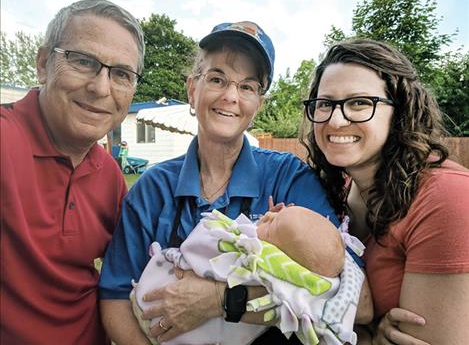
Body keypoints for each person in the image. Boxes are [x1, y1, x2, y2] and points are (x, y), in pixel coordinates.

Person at [99, 21, 372, 345]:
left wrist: (223, 299)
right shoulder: (153, 189)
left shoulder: (289, 179)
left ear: (259, 104)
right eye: (217, 79)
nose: (231, 96)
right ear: (192, 88)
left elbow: (356, 299)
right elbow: (115, 299)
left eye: (247, 86)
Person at [301, 39, 469, 344]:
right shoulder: (336, 193)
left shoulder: (447, 198)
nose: (336, 120)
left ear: (399, 111)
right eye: (325, 103)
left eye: (360, 103)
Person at [0, 0, 144, 344]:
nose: (100, 88)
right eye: (82, 61)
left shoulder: (109, 175)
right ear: (43, 65)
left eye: (121, 74)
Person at [131, 205, 365, 345]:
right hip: (155, 307)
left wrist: (219, 298)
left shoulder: (261, 262)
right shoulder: (155, 183)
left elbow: (204, 247)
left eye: (272, 227)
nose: (269, 215)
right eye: (280, 212)